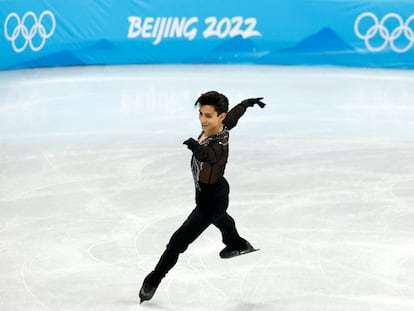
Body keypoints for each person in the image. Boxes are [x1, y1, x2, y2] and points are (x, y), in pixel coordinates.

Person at [139, 91, 266, 303]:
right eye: (201, 114)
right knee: (219, 216)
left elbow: (209, 156)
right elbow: (234, 115)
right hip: (215, 192)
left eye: (208, 116)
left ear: (220, 117)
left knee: (176, 243)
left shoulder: (219, 143)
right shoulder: (224, 124)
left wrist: (196, 147)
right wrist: (246, 104)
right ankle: (237, 243)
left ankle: (153, 280)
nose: (202, 120)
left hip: (210, 200)